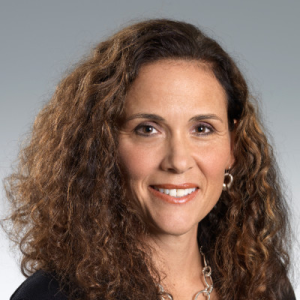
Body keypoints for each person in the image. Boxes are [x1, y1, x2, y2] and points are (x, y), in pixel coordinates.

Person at [3, 19, 295, 300]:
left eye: (202, 129)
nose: (178, 161)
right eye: (148, 129)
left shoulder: (264, 284)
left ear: (234, 147)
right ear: (105, 146)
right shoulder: (50, 295)